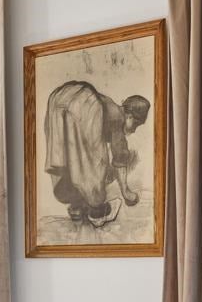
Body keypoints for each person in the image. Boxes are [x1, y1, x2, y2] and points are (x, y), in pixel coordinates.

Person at [43, 81, 151, 228]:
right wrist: (126, 193)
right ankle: (97, 210)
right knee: (95, 160)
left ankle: (76, 206)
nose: (134, 130)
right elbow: (120, 157)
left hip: (58, 98)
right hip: (84, 101)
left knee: (66, 156)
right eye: (136, 125)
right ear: (129, 116)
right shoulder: (118, 117)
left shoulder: (108, 107)